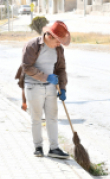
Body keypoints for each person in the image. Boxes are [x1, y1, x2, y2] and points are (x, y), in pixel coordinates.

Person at [15, 21, 71, 159]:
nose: (60, 44)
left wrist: (62, 88)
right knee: (36, 118)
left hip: (51, 88)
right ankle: (38, 147)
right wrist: (46, 77)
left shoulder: (58, 50)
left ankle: (54, 148)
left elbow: (61, 69)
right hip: (33, 87)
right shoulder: (32, 46)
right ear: (49, 36)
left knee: (52, 117)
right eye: (58, 41)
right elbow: (27, 67)